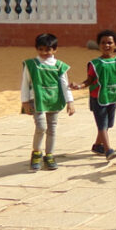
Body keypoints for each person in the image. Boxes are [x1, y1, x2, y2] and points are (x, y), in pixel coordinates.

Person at [20, 33, 77, 171]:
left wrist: (70, 101)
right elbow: (25, 83)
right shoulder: (31, 64)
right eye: (41, 49)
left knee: (52, 128)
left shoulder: (59, 66)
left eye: (48, 49)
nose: (44, 53)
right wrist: (25, 102)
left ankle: (49, 155)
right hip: (37, 100)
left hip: (54, 100)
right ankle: (36, 153)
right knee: (41, 127)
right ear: (36, 49)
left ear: (54, 50)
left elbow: (65, 84)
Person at [83, 29, 116, 160]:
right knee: (102, 124)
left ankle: (97, 145)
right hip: (98, 97)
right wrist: (80, 85)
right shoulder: (95, 64)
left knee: (108, 124)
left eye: (109, 42)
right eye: (103, 43)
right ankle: (108, 150)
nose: (106, 45)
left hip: (111, 96)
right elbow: (89, 80)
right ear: (98, 45)